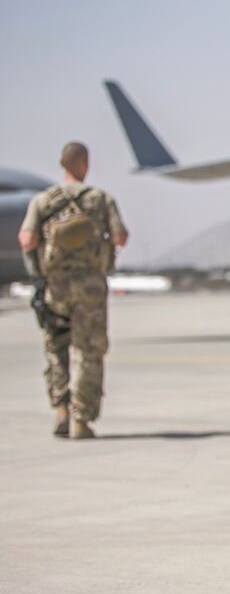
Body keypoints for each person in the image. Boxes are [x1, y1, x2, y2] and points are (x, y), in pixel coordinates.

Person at [17, 141, 128, 439]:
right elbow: (120, 237)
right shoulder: (100, 199)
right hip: (90, 288)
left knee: (56, 349)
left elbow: (26, 240)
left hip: (56, 288)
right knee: (88, 351)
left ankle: (60, 410)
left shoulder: (43, 201)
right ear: (85, 164)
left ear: (62, 165)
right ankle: (82, 419)